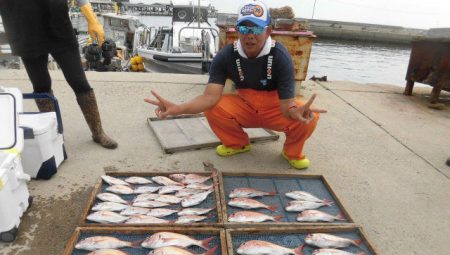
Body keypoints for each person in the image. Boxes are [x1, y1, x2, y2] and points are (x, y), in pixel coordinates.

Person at [145, 0, 325, 169]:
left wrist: (295, 111)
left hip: (275, 108)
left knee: (309, 116)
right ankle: (237, 143)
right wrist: (178, 108)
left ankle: (292, 153)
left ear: (268, 31)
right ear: (237, 31)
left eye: (257, 28)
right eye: (244, 28)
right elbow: (209, 97)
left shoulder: (280, 55)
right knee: (213, 107)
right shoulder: (226, 55)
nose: (250, 35)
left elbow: (287, 105)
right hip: (245, 105)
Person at [0, 0, 118, 149]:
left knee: (79, 81)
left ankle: (98, 132)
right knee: (41, 85)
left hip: (57, 24)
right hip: (23, 29)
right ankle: (53, 134)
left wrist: (92, 19)